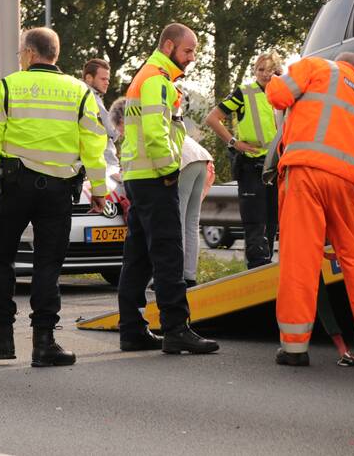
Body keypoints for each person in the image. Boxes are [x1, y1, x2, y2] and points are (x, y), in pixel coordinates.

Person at [0, 27, 108, 367]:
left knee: (1, 259)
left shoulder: (10, 86)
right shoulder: (80, 91)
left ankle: (2, 338)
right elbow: (94, 145)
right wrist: (100, 191)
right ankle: (44, 343)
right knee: (48, 264)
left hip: (15, 187)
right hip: (59, 192)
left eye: (21, 51)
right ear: (55, 55)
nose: (20, 56)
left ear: (31, 54)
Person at [266, 52, 354, 366]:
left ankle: (294, 348)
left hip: (306, 173)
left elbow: (278, 95)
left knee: (301, 256)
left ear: (340, 62)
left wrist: (273, 76)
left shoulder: (317, 66)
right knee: (353, 257)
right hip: (348, 185)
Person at [117, 23, 219, 354]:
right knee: (168, 252)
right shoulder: (157, 80)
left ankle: (132, 330)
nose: (191, 58)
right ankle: (176, 328)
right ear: (169, 45)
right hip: (154, 176)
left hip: (138, 175)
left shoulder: (149, 77)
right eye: (188, 51)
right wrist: (169, 172)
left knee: (139, 256)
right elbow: (155, 132)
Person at [205, 53, 282, 269]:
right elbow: (212, 118)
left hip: (276, 166)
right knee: (255, 222)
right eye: (261, 70)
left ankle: (267, 269)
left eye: (271, 70)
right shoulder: (244, 92)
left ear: (278, 72)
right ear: (255, 71)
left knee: (272, 222)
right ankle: (257, 270)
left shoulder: (284, 93)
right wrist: (234, 142)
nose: (266, 74)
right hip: (251, 166)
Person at [178, 134, 214, 287]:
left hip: (185, 162)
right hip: (201, 159)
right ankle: (189, 275)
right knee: (191, 222)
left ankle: (176, 274)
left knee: (178, 221)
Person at [82, 58, 121, 173]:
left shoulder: (79, 94)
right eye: (103, 79)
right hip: (105, 164)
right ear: (89, 78)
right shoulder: (91, 96)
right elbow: (113, 132)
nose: (107, 82)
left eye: (108, 79)